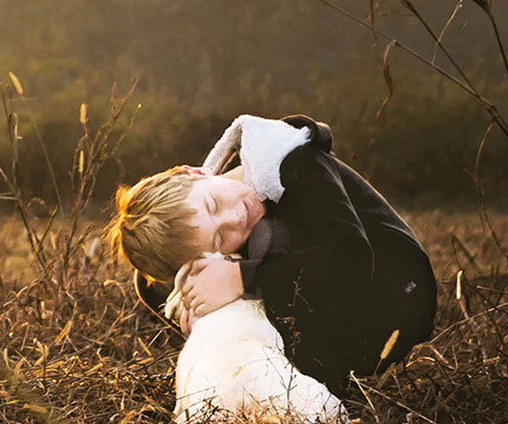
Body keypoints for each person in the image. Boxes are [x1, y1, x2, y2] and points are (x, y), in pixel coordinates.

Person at [106, 114, 437, 396]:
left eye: (214, 204)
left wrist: (241, 277)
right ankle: (266, 382)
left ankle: (314, 397)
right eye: (220, 238)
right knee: (223, 267)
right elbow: (149, 283)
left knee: (270, 238)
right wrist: (193, 308)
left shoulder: (291, 160)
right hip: (323, 294)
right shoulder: (222, 224)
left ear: (197, 173)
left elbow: (351, 261)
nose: (235, 217)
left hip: (394, 291)